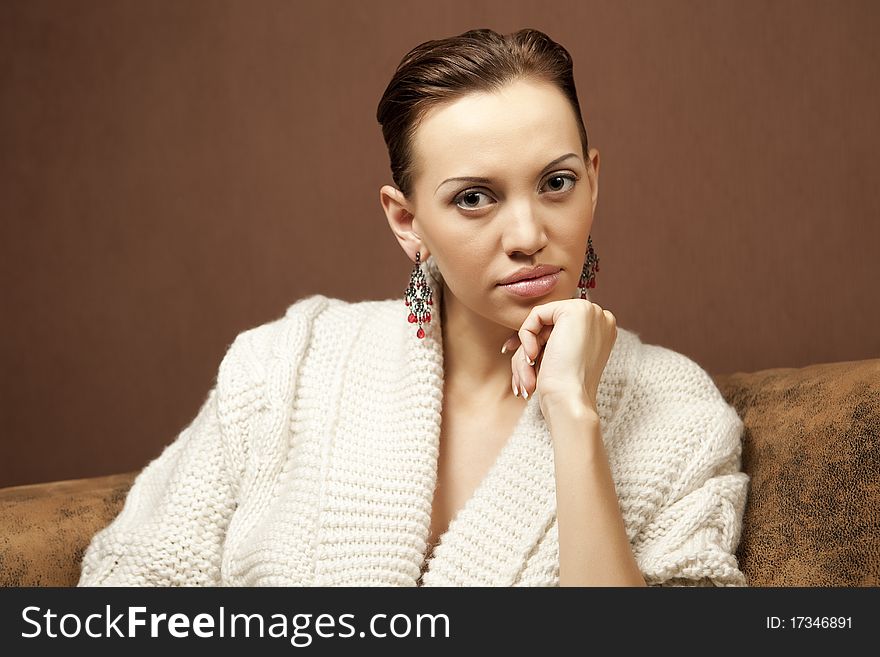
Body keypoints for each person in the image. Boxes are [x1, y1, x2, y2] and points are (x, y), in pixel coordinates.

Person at [77, 28, 749, 587]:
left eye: (556, 183)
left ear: (593, 182)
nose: (526, 236)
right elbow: (128, 588)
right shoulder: (285, 363)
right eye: (474, 198)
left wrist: (574, 416)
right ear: (407, 221)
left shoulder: (681, 418)